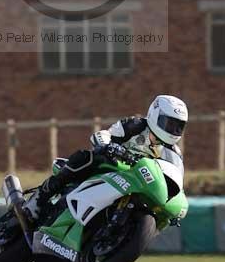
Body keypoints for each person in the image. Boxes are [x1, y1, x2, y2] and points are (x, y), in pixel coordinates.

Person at [24, 94, 188, 221]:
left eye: (178, 126)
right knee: (86, 157)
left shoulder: (173, 153)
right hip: (112, 165)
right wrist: (107, 145)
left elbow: (175, 179)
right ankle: (40, 197)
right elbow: (105, 134)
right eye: (169, 123)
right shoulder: (136, 125)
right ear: (155, 114)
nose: (173, 130)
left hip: (136, 182)